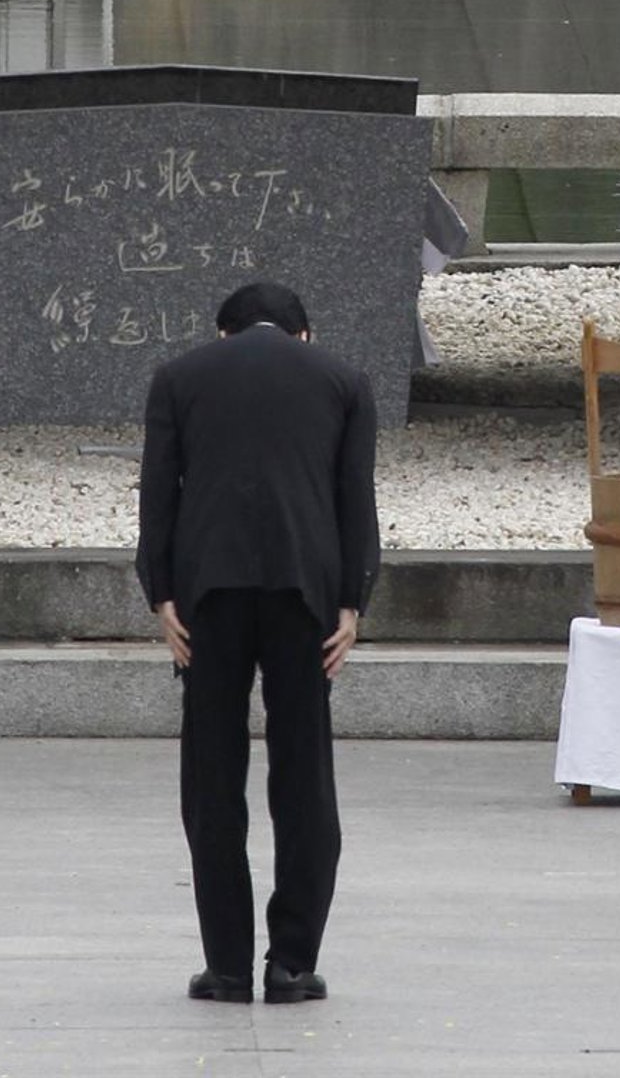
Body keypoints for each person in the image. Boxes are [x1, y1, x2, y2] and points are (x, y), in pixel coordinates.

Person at [136, 279, 380, 1009]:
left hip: (207, 595)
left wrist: (161, 594)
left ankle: (227, 967)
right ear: (304, 334)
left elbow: (159, 495)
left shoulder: (179, 377)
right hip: (306, 596)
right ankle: (292, 965)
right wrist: (352, 601)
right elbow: (354, 500)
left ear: (224, 332)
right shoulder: (343, 380)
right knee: (304, 776)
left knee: (212, 778)